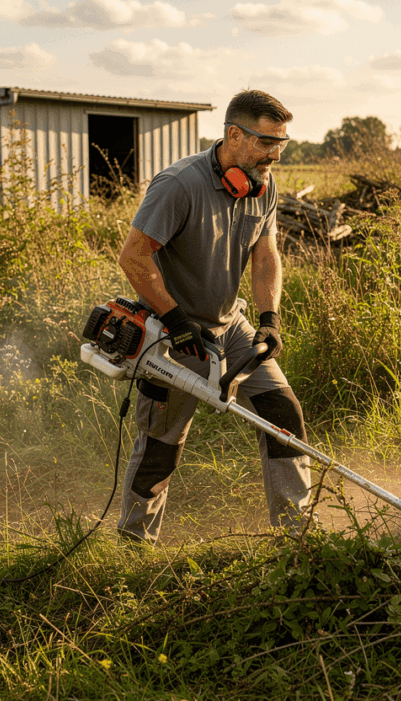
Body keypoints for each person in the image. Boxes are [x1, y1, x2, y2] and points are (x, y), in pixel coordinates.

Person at [116, 89, 313, 543]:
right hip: (173, 334)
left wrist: (269, 318)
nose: (275, 155)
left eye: (281, 143)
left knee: (283, 413)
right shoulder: (179, 184)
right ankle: (134, 544)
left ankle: (298, 537)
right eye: (266, 142)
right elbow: (133, 257)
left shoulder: (262, 185)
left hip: (231, 327)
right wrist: (175, 319)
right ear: (233, 135)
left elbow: (265, 257)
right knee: (162, 446)